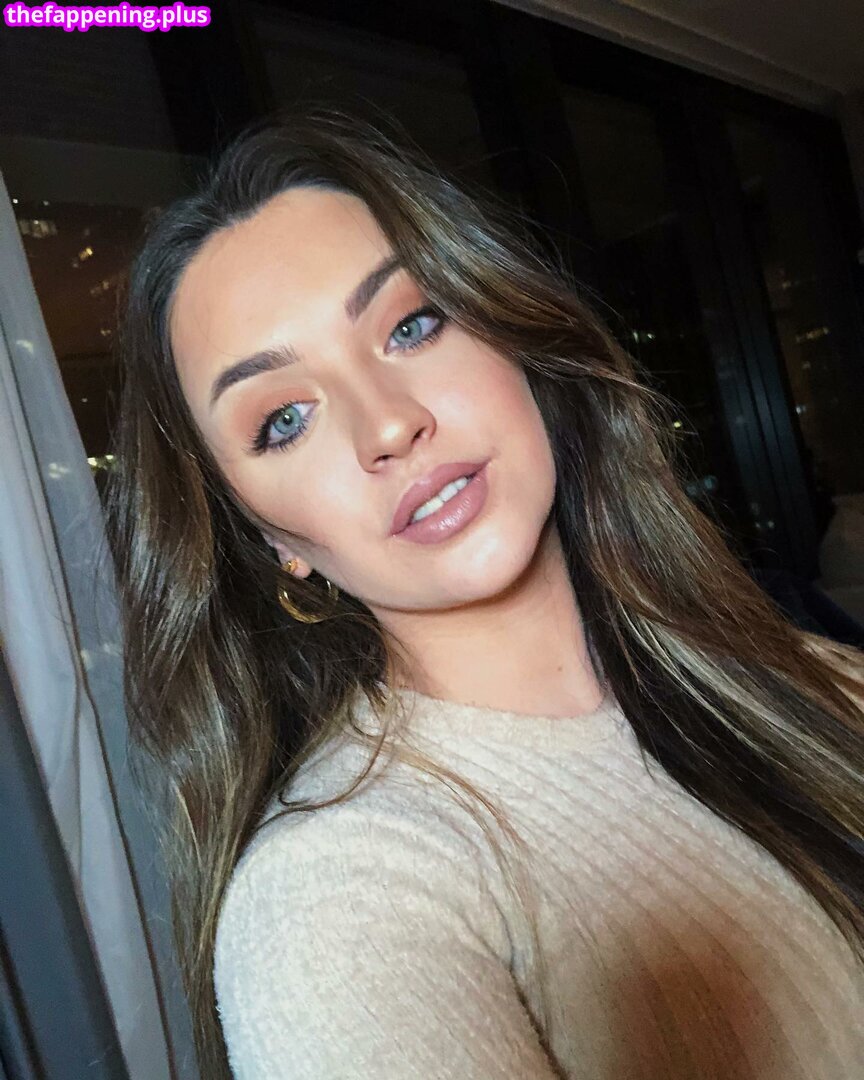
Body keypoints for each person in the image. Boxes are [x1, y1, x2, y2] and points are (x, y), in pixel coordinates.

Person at [104, 109, 864, 1080]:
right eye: (284, 419)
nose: (388, 425)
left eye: (411, 325)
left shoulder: (814, 681)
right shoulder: (339, 898)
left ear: (513, 335)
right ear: (272, 540)